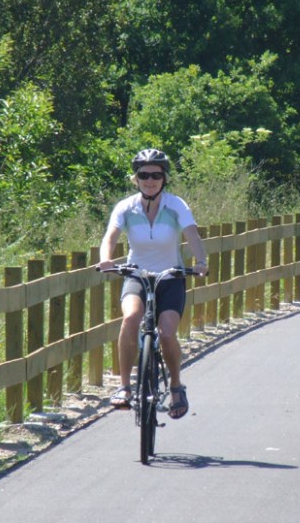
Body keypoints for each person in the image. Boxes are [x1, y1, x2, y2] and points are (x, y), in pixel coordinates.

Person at [98, 148, 208, 419]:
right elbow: (110, 236)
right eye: (144, 175)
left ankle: (176, 386)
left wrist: (201, 261)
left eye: (156, 175)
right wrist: (106, 260)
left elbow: (192, 235)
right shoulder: (126, 207)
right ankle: (124, 386)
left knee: (167, 333)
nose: (150, 180)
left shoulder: (176, 206)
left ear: (164, 178)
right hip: (137, 274)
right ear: (136, 178)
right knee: (130, 318)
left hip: (171, 276)